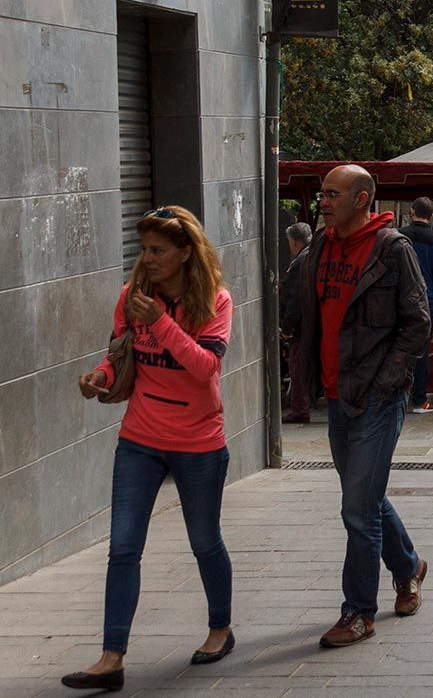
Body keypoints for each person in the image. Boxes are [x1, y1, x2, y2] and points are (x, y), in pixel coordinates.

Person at [65, 207, 235, 692]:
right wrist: (100, 376)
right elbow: (118, 352)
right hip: (139, 438)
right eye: (144, 249)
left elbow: (204, 368)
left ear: (186, 253)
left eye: (158, 250)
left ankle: (220, 628)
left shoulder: (216, 301)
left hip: (199, 442)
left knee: (205, 542)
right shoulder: (132, 298)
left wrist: (160, 322)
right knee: (123, 548)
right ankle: (111, 657)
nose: (149, 258)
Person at [295, 164, 430, 648]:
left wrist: (386, 383)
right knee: (365, 498)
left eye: (332, 194)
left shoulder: (393, 250)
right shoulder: (320, 246)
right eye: (322, 194)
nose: (322, 201)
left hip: (375, 397)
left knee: (356, 507)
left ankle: (358, 612)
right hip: (335, 395)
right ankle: (408, 565)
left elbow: (418, 322)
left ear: (361, 198)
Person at [399, 198, 433, 415]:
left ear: (412, 212)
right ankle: (419, 400)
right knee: (421, 352)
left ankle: (396, 396)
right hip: (425, 302)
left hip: (398, 299)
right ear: (431, 217)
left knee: (399, 349)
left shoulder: (398, 235)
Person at [281, 221, 316, 423]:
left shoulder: (300, 261)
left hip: (301, 327)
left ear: (294, 241)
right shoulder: (311, 256)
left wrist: (287, 326)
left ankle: (300, 409)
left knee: (298, 368)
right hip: (310, 323)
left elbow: (295, 297)